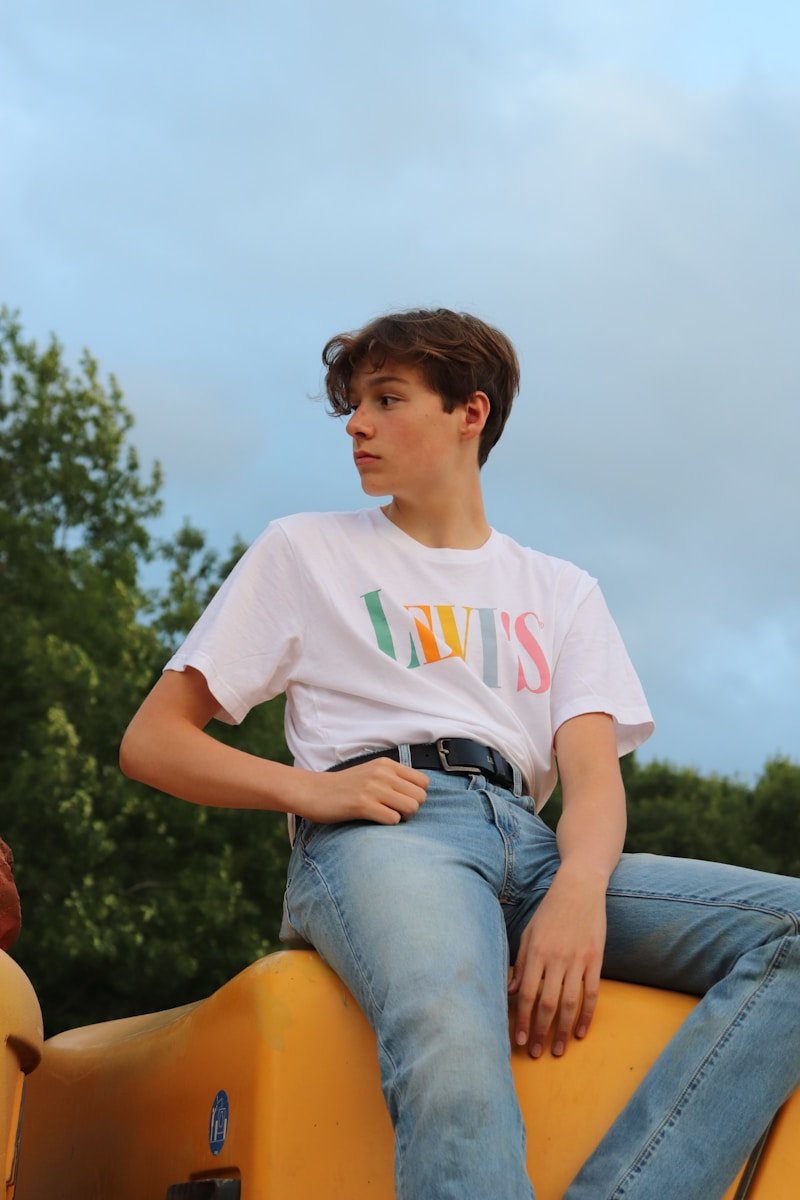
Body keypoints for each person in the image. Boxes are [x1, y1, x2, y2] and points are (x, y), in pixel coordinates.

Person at [120, 308, 800, 1200]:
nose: (358, 424)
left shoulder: (560, 590)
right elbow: (153, 740)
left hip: (539, 841)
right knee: (452, 1042)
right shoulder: (305, 550)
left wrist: (578, 896)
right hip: (389, 831)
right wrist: (311, 792)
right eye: (354, 405)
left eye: (388, 399)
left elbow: (594, 781)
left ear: (469, 414)